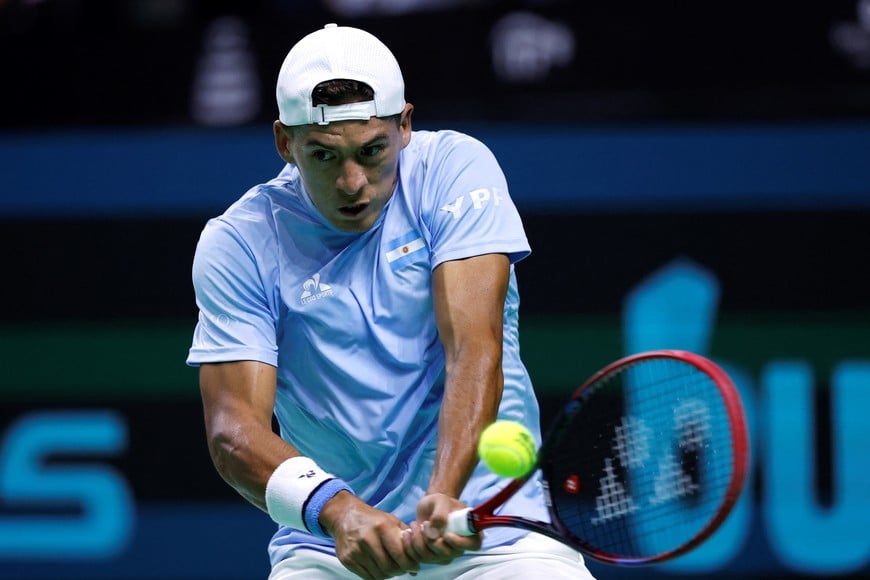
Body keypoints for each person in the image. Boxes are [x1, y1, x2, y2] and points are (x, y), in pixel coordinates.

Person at [187, 23, 595, 580]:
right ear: (285, 142)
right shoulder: (239, 241)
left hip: (493, 534)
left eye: (372, 150)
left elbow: (474, 348)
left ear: (404, 125)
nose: (353, 182)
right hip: (330, 549)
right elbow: (233, 432)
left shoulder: (453, 169)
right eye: (324, 156)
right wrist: (336, 510)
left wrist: (444, 495)